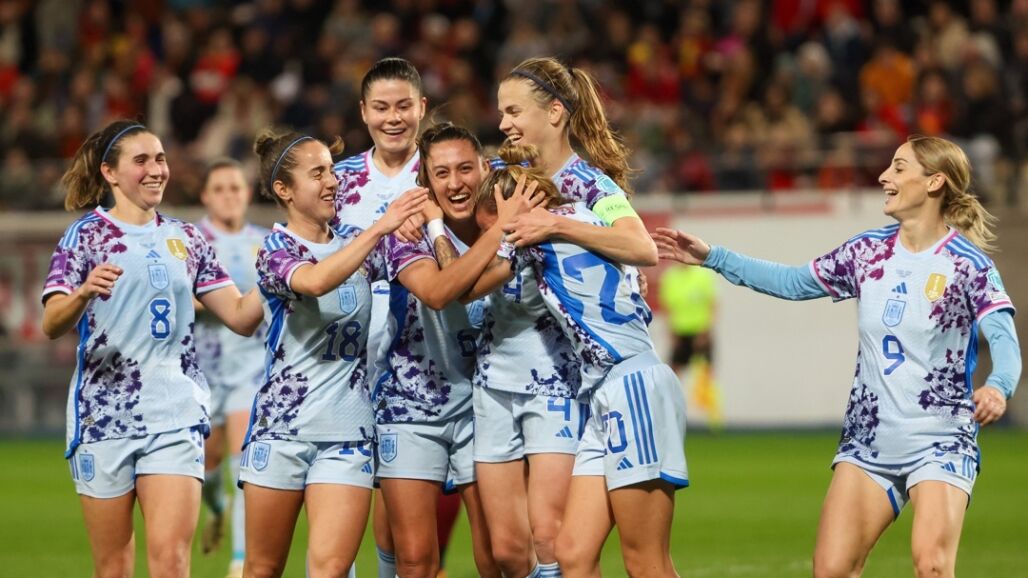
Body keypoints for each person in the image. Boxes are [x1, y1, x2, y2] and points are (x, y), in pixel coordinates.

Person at [652, 135, 1022, 578]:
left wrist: (998, 387)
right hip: (869, 440)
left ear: (934, 182)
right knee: (830, 569)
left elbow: (1004, 340)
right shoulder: (866, 252)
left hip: (939, 438)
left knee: (933, 566)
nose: (883, 176)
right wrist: (714, 257)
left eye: (899, 167)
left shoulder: (968, 265)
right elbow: (792, 283)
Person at [41, 119, 264, 578]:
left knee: (171, 563)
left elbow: (241, 317)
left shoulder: (187, 239)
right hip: (103, 418)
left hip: (175, 414)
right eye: (141, 160)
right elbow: (51, 322)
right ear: (110, 173)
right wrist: (82, 294)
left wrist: (276, 270)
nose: (156, 169)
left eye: (160, 159)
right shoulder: (84, 237)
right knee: (114, 568)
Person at [470, 144, 689, 578]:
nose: (493, 239)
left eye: (491, 228)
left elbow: (462, 289)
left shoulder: (538, 235)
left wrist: (437, 227)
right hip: (602, 390)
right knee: (571, 552)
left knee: (646, 561)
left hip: (631, 385)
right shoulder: (588, 221)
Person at [239, 129, 426, 578]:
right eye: (317, 173)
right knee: (262, 569)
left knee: (332, 570)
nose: (332, 181)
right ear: (284, 189)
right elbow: (315, 281)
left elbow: (418, 268)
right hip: (282, 429)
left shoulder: (357, 240)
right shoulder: (275, 250)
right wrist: (381, 227)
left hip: (348, 430)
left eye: (331, 170)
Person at [374, 122, 540, 578]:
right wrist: (485, 229)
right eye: (441, 173)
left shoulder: (512, 215)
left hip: (485, 405)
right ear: (425, 182)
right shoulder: (406, 233)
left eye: (465, 169)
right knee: (414, 558)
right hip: (411, 404)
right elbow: (438, 292)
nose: (455, 183)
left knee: (499, 554)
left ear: (485, 167)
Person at [330, 56, 465, 578]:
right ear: (363, 112)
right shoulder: (339, 182)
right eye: (382, 107)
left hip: (430, 365)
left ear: (422, 108)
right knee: (352, 514)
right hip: (349, 369)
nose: (393, 118)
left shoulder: (444, 171)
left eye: (404, 106)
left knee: (402, 528)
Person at [496, 57, 657, 268]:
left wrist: (557, 225)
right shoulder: (499, 173)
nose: (503, 125)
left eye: (514, 112)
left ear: (554, 112)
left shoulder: (588, 183)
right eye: (502, 114)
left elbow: (643, 248)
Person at [193, 157, 269, 578]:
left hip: (250, 367)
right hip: (200, 371)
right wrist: (223, 303)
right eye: (219, 189)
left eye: (235, 188)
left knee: (245, 462)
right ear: (205, 196)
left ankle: (240, 561)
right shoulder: (190, 242)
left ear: (247, 193)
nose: (229, 196)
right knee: (208, 465)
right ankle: (216, 506)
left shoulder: (265, 243)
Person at [659, 264, 722, 425]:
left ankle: (713, 420)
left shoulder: (703, 275)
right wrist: (671, 333)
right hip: (680, 332)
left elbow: (713, 304)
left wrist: (706, 331)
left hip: (701, 332)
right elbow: (667, 307)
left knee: (706, 375)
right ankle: (670, 414)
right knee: (673, 375)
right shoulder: (670, 277)